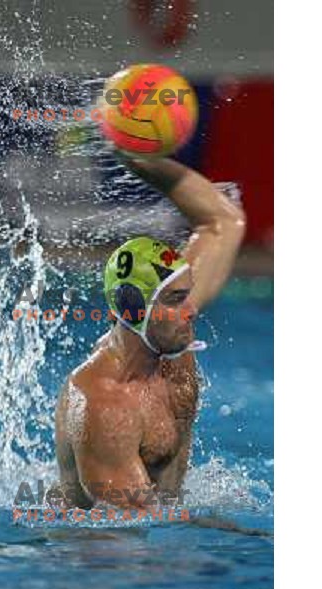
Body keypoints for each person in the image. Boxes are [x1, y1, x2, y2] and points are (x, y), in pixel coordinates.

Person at [53, 156, 246, 509]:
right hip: (97, 550)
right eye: (176, 299)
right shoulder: (104, 406)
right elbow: (134, 535)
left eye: (187, 294)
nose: (191, 310)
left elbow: (222, 223)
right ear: (134, 311)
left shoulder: (168, 333)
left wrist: (138, 156)